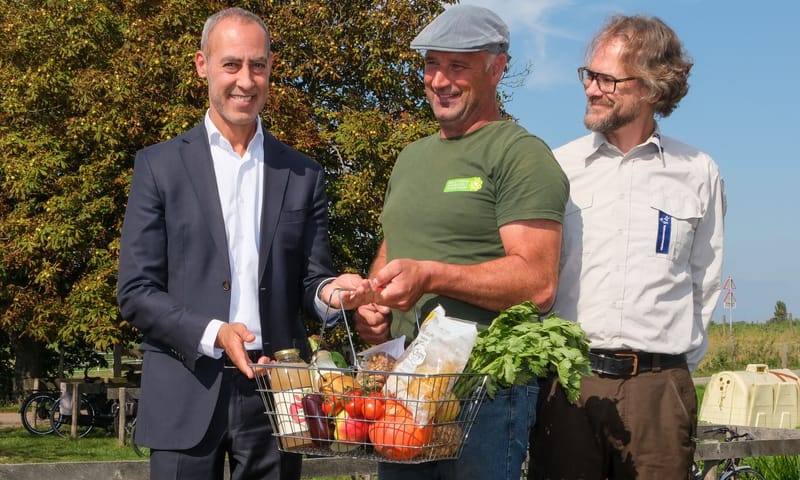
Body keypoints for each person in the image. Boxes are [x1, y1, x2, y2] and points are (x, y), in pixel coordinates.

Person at [117, 8, 375, 480]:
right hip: (185, 387)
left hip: (278, 396)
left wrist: (335, 293)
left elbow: (312, 279)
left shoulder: (303, 173)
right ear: (202, 65)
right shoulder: (158, 167)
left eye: (257, 65)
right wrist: (214, 331)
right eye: (231, 64)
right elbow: (136, 291)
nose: (245, 80)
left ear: (271, 69)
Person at [354, 5, 569, 480]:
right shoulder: (410, 158)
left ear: (497, 69)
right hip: (404, 389)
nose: (439, 80)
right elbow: (396, 246)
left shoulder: (521, 155)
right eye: (432, 64)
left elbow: (538, 283)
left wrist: (432, 276)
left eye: (458, 66)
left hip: (484, 391)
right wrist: (373, 302)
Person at [529, 14, 725, 480]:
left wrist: (666, 373)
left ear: (653, 89)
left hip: (659, 394)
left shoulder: (699, 172)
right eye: (589, 75)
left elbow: (706, 281)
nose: (591, 89)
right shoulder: (557, 167)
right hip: (568, 388)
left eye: (608, 80)